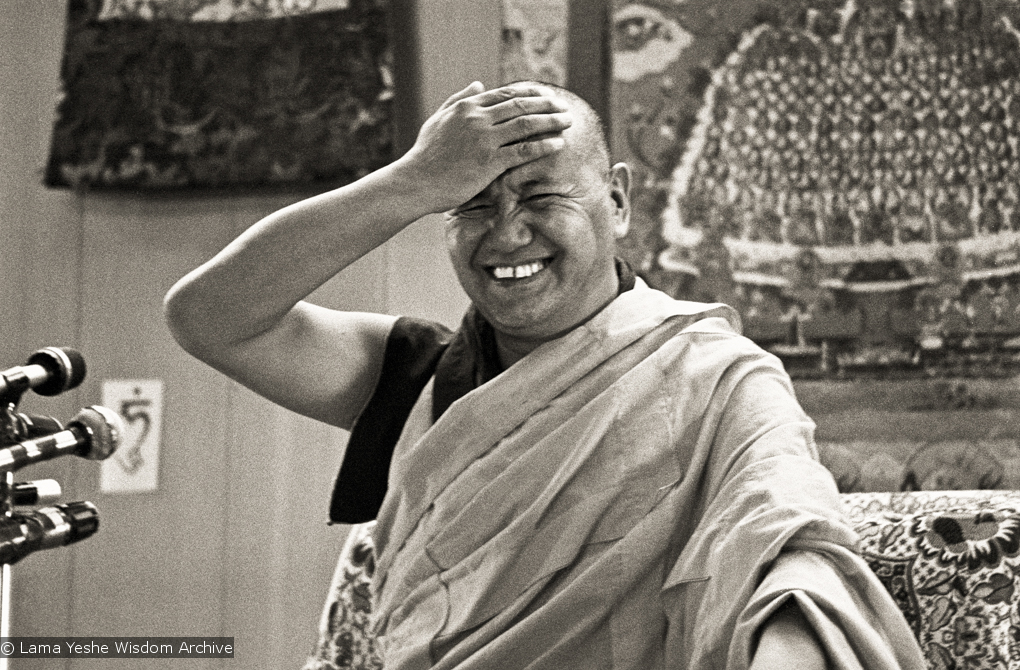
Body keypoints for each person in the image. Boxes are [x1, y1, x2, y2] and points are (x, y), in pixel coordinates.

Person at [164, 81, 925, 670]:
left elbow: (786, 538)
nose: (506, 234)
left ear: (618, 200)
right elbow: (208, 318)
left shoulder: (713, 373)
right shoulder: (417, 377)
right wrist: (413, 180)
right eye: (470, 205)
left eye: (540, 195)